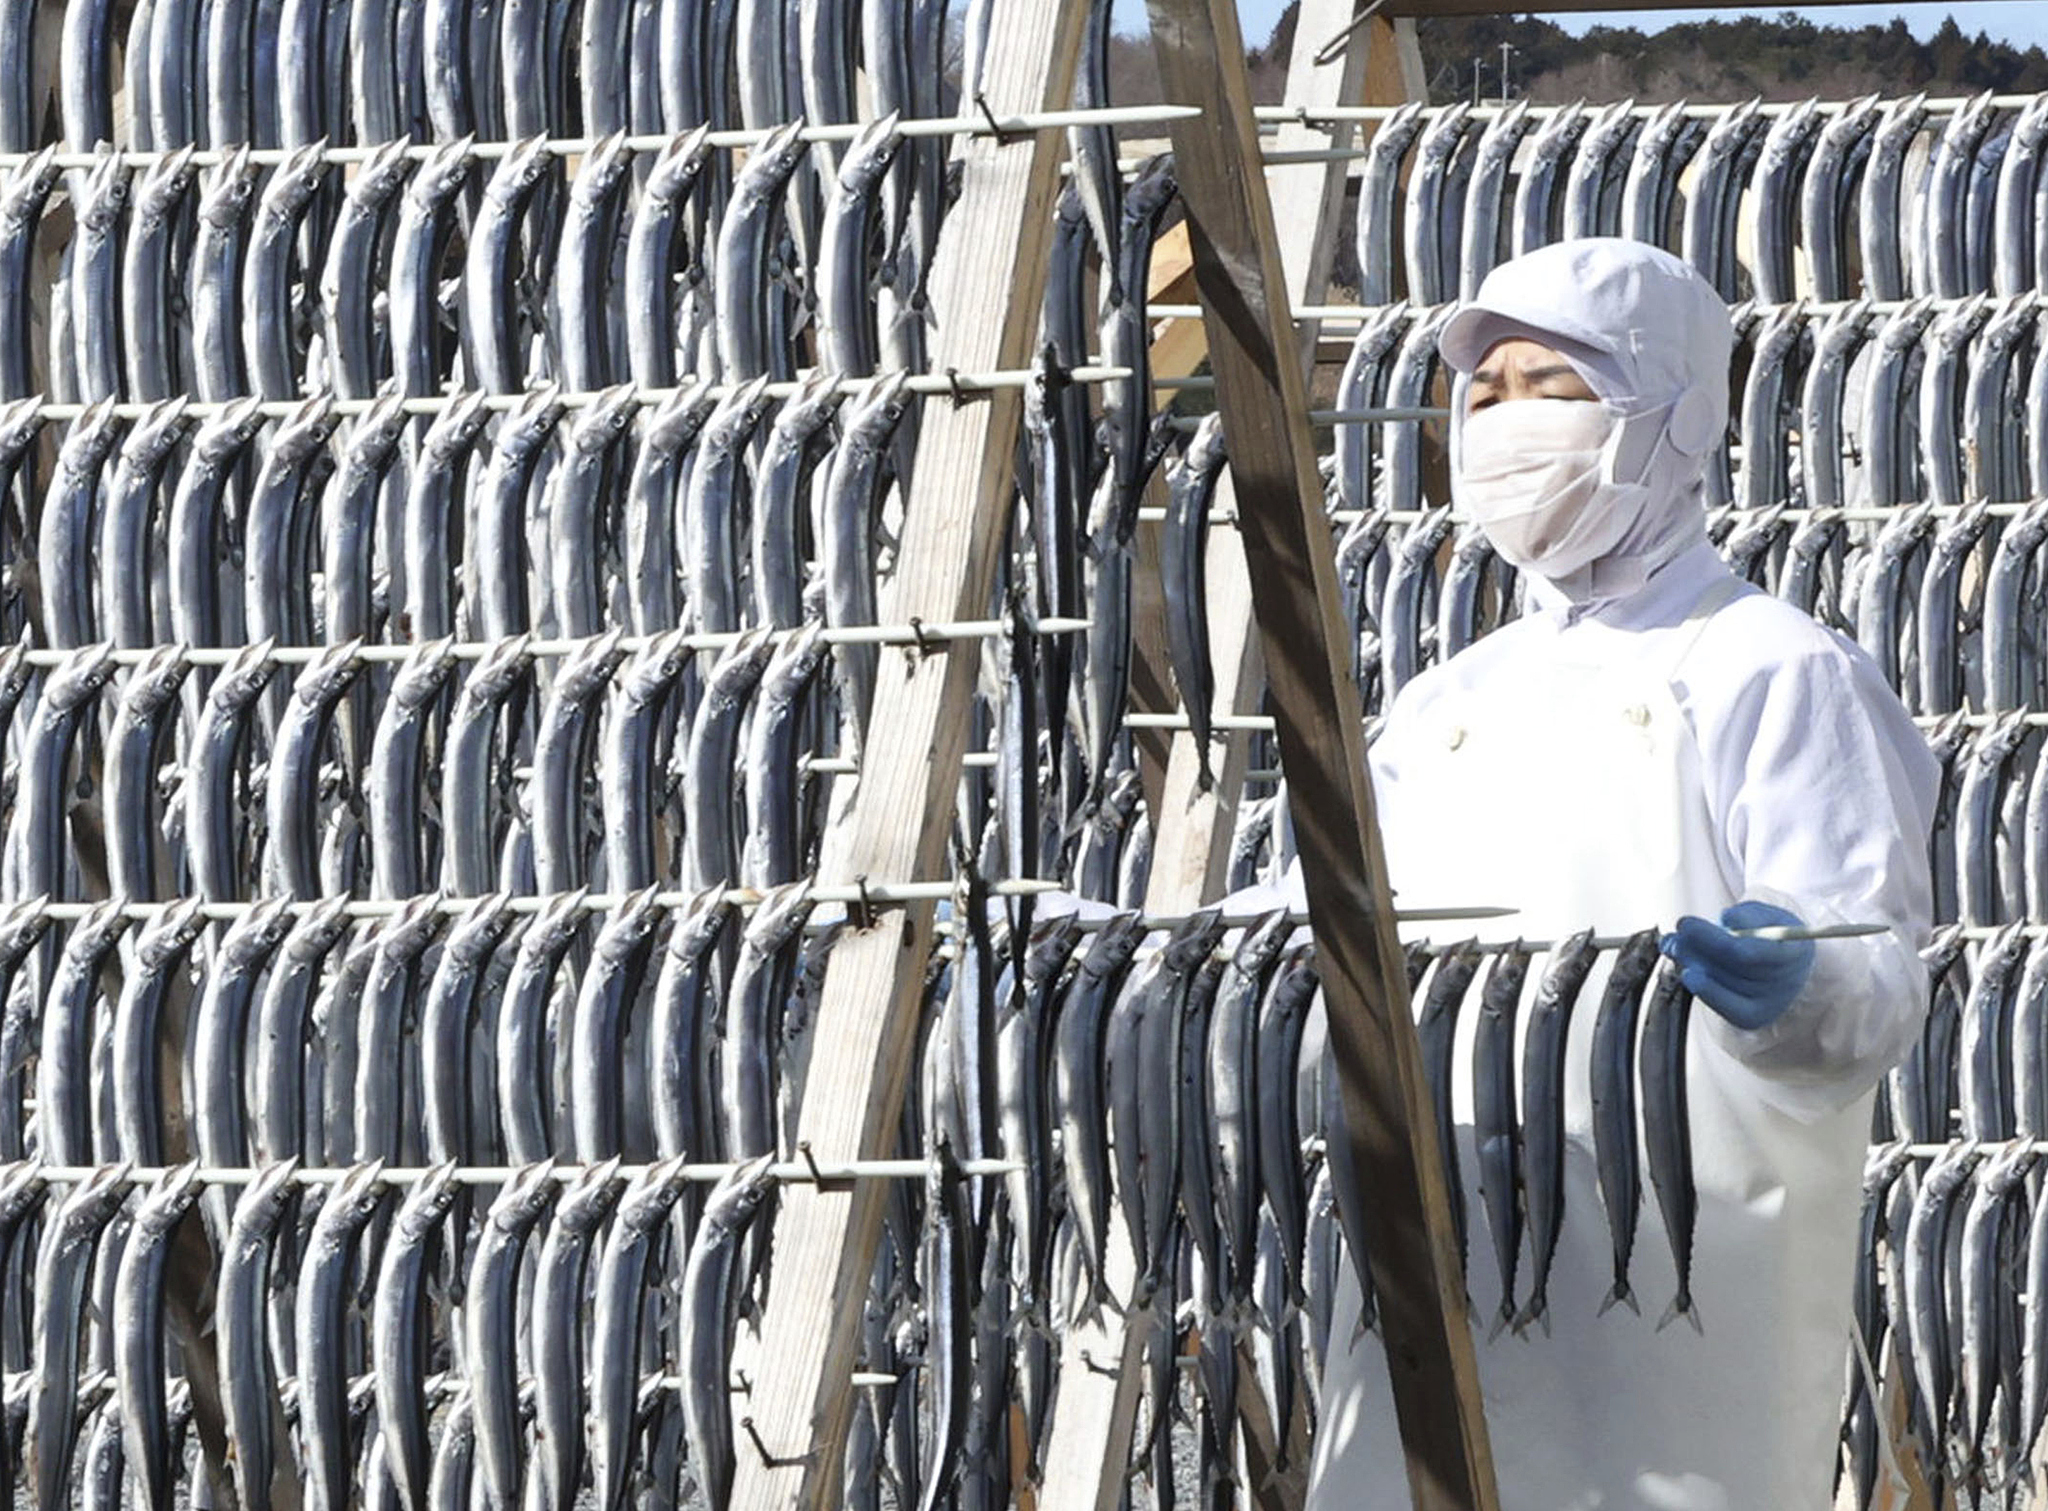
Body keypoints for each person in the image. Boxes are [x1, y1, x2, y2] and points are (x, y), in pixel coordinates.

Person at [1301, 238, 1938, 1510]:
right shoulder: (1442, 702)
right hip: (1423, 1277)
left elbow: (1871, 981)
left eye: (1549, 386)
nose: (1501, 424)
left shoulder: (1770, 668)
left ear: (1670, 415)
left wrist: (1794, 980)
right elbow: (1311, 938)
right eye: (1481, 397)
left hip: (1679, 1311)